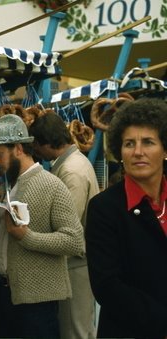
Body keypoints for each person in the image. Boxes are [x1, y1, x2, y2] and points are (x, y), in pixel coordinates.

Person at [0, 114, 85, 338]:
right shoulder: (11, 185)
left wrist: (27, 237)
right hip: (3, 295)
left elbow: (74, 241)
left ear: (18, 148)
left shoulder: (52, 185)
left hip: (36, 303)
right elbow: (5, 238)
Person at [85, 97, 167, 338]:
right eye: (129, 143)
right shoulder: (104, 208)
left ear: (165, 150)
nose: (138, 152)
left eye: (148, 142)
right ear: (119, 152)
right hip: (130, 330)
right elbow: (107, 286)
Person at [29, 112, 99, 339]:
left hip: (76, 266)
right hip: (75, 264)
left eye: (37, 145)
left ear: (47, 143)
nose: (36, 151)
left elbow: (69, 224)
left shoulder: (71, 171)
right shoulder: (72, 163)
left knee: (75, 331)